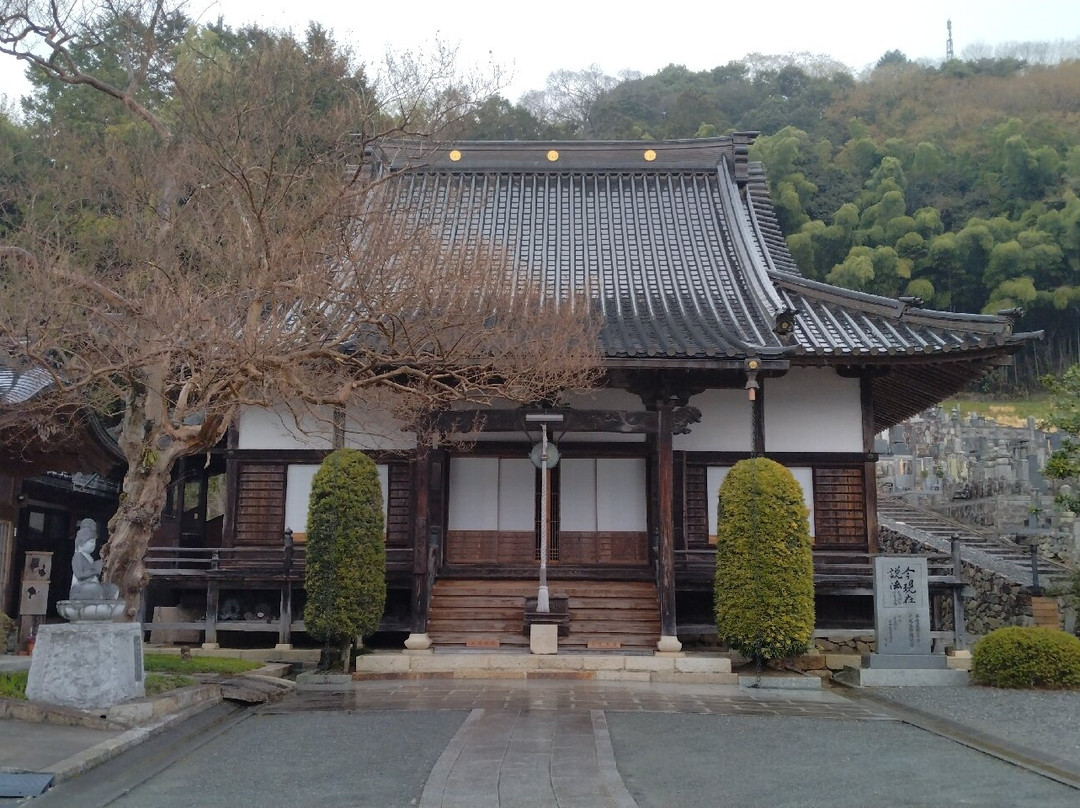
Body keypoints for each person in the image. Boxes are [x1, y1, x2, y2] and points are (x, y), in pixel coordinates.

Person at [69, 518, 120, 600]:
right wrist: (95, 570)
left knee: (112, 588)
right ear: (82, 543)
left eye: (94, 542)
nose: (94, 545)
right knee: (95, 588)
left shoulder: (89, 557)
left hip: (91, 585)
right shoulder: (78, 556)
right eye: (91, 542)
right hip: (80, 588)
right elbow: (79, 575)